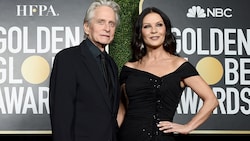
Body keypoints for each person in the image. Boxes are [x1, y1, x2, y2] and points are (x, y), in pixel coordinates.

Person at [117, 7, 219, 141]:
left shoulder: (179, 65)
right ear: (140, 32)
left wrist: (187, 127)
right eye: (147, 26)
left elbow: (211, 100)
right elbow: (122, 110)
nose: (154, 31)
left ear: (166, 29)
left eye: (159, 25)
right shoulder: (129, 68)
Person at [49, 0, 121, 141]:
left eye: (111, 24)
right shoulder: (67, 59)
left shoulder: (111, 64)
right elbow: (61, 115)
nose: (107, 28)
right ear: (87, 27)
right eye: (101, 22)